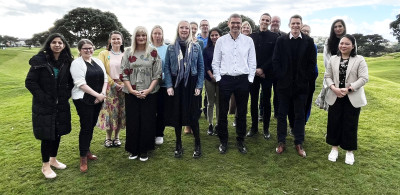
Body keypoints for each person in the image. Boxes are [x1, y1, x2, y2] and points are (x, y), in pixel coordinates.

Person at [25, 33, 74, 179]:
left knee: (57, 133)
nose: (57, 45)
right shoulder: (40, 61)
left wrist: (65, 95)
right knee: (47, 135)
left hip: (61, 105)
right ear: (49, 44)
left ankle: (53, 160)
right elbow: (30, 82)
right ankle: (45, 165)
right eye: (54, 42)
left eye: (60, 42)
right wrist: (44, 98)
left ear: (64, 45)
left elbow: (71, 82)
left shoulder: (67, 61)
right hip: (44, 105)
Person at [272, 15, 316, 157]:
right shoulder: (281, 40)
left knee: (299, 115)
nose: (296, 26)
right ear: (289, 24)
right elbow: (276, 60)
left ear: (301, 25)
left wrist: (305, 79)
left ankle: (298, 142)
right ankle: (281, 141)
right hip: (284, 86)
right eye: (293, 23)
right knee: (282, 114)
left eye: (298, 23)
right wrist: (281, 76)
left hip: (301, 86)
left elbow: (311, 63)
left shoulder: (309, 41)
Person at [212, 13, 256, 154]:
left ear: (241, 24)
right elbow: (216, 62)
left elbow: (252, 61)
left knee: (242, 112)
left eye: (238, 23)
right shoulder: (221, 41)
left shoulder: (248, 41)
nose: (236, 25)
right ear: (228, 24)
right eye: (233, 23)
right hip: (225, 80)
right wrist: (219, 79)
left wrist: (250, 79)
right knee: (223, 112)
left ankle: (240, 140)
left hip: (243, 80)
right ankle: (223, 141)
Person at [325, 34, 368, 165]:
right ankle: (334, 148)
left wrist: (349, 89)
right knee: (334, 122)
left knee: (350, 123)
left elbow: (364, 78)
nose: (343, 46)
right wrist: (333, 88)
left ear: (353, 46)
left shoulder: (359, 59)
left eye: (347, 44)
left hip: (352, 96)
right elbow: (327, 76)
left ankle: (349, 151)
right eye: (341, 43)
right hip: (335, 95)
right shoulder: (333, 59)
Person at [164, 20, 204, 158]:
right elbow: (167, 68)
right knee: (177, 114)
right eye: (182, 27)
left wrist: (199, 85)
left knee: (193, 114)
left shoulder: (196, 47)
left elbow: (201, 68)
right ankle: (178, 144)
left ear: (190, 30)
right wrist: (169, 85)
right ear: (178, 29)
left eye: (187, 28)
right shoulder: (170, 48)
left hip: (192, 83)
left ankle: (197, 144)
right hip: (177, 84)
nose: (184, 30)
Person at [121, 26, 162, 161]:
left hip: (149, 93)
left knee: (147, 120)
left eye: (143, 35)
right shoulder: (128, 52)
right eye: (138, 35)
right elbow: (124, 73)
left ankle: (144, 149)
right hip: (131, 92)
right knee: (133, 121)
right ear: (135, 37)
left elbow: (157, 74)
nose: (141, 38)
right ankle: (133, 149)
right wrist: (132, 90)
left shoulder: (153, 52)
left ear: (147, 37)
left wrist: (149, 90)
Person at [71, 39, 108, 172]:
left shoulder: (97, 61)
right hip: (83, 100)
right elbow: (80, 84)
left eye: (90, 48)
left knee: (91, 125)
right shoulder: (77, 63)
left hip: (98, 99)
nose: (89, 50)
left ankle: (87, 151)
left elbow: (105, 79)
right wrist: (97, 95)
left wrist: (102, 94)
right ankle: (83, 158)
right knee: (86, 127)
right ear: (80, 50)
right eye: (85, 48)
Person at [247, 13, 279, 140]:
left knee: (266, 101)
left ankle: (266, 128)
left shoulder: (275, 37)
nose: (265, 22)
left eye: (267, 20)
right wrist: (255, 69)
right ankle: (254, 127)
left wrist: (263, 69)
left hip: (267, 74)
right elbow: (248, 55)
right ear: (259, 21)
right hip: (253, 73)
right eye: (263, 20)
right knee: (253, 101)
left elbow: (274, 56)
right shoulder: (251, 37)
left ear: (270, 22)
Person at [287, 24, 319, 134]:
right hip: (295, 81)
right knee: (293, 104)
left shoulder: (312, 45)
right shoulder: (295, 43)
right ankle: (292, 125)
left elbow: (312, 64)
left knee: (306, 103)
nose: (305, 33)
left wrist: (310, 77)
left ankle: (302, 125)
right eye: (304, 31)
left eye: (308, 32)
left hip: (309, 79)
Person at [97, 31, 126, 148]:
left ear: (122, 40)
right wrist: (113, 83)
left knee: (120, 112)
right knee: (110, 112)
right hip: (109, 87)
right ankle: (108, 138)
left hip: (124, 87)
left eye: (118, 39)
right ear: (110, 40)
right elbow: (102, 70)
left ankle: (117, 137)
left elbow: (130, 69)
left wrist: (124, 84)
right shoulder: (104, 54)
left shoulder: (126, 53)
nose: (116, 41)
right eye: (113, 39)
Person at [316, 19, 346, 110]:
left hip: (345, 72)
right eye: (335, 27)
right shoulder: (329, 41)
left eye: (340, 26)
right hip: (332, 72)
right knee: (332, 99)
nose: (338, 28)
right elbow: (326, 58)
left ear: (344, 27)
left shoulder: (349, 39)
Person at [229, 20, 253, 127]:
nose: (246, 29)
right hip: (235, 75)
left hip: (248, 73)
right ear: (241, 29)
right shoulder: (233, 40)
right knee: (234, 99)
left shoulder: (250, 41)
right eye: (244, 27)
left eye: (248, 27)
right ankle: (235, 117)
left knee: (244, 99)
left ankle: (241, 119)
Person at [184, 21, 205, 134]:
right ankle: (187, 125)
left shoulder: (199, 43)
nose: (193, 29)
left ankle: (194, 123)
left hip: (196, 74)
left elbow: (200, 60)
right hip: (187, 76)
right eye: (191, 28)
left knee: (196, 102)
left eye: (195, 28)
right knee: (187, 102)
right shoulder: (183, 42)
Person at [151, 25, 169, 145]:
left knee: (162, 110)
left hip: (163, 84)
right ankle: (150, 132)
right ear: (152, 35)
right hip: (149, 85)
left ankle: (159, 134)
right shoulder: (148, 48)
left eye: (159, 33)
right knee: (151, 110)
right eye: (155, 33)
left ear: (162, 35)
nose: (157, 36)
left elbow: (169, 66)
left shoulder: (167, 48)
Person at [203, 27, 222, 135]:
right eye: (212, 35)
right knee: (210, 102)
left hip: (221, 79)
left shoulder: (224, 49)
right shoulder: (206, 50)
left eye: (216, 35)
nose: (214, 37)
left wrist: (218, 76)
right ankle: (210, 124)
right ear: (210, 37)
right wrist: (211, 76)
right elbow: (205, 65)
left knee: (219, 103)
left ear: (220, 36)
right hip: (209, 79)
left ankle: (218, 124)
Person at [270, 15, 287, 119]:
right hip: (267, 70)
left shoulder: (284, 35)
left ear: (280, 23)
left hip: (279, 69)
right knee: (264, 94)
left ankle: (277, 112)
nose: (275, 23)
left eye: (277, 21)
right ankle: (262, 113)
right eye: (273, 21)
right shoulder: (265, 34)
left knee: (278, 92)